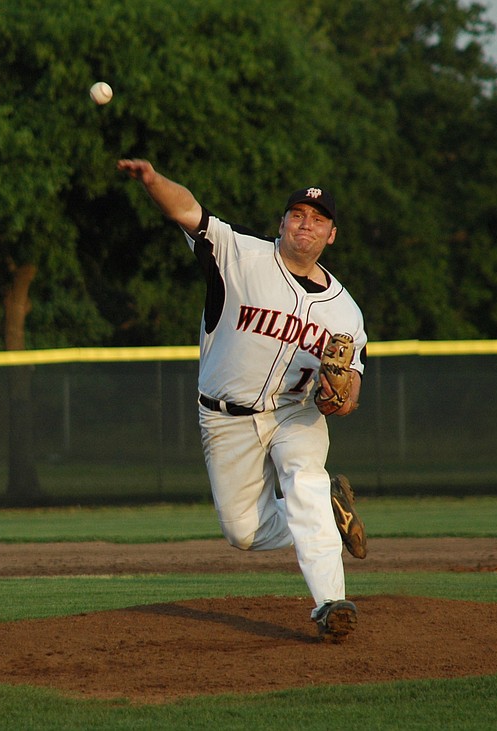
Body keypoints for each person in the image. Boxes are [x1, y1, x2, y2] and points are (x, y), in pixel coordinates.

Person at [118, 158, 368, 642]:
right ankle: (328, 518)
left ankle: (330, 603)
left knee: (304, 482)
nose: (306, 224)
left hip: (296, 413)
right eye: (297, 214)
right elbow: (188, 210)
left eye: (318, 219)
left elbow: (353, 384)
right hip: (225, 416)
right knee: (243, 532)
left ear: (331, 236)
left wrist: (341, 401)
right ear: (282, 223)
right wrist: (152, 181)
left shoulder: (345, 310)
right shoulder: (240, 254)